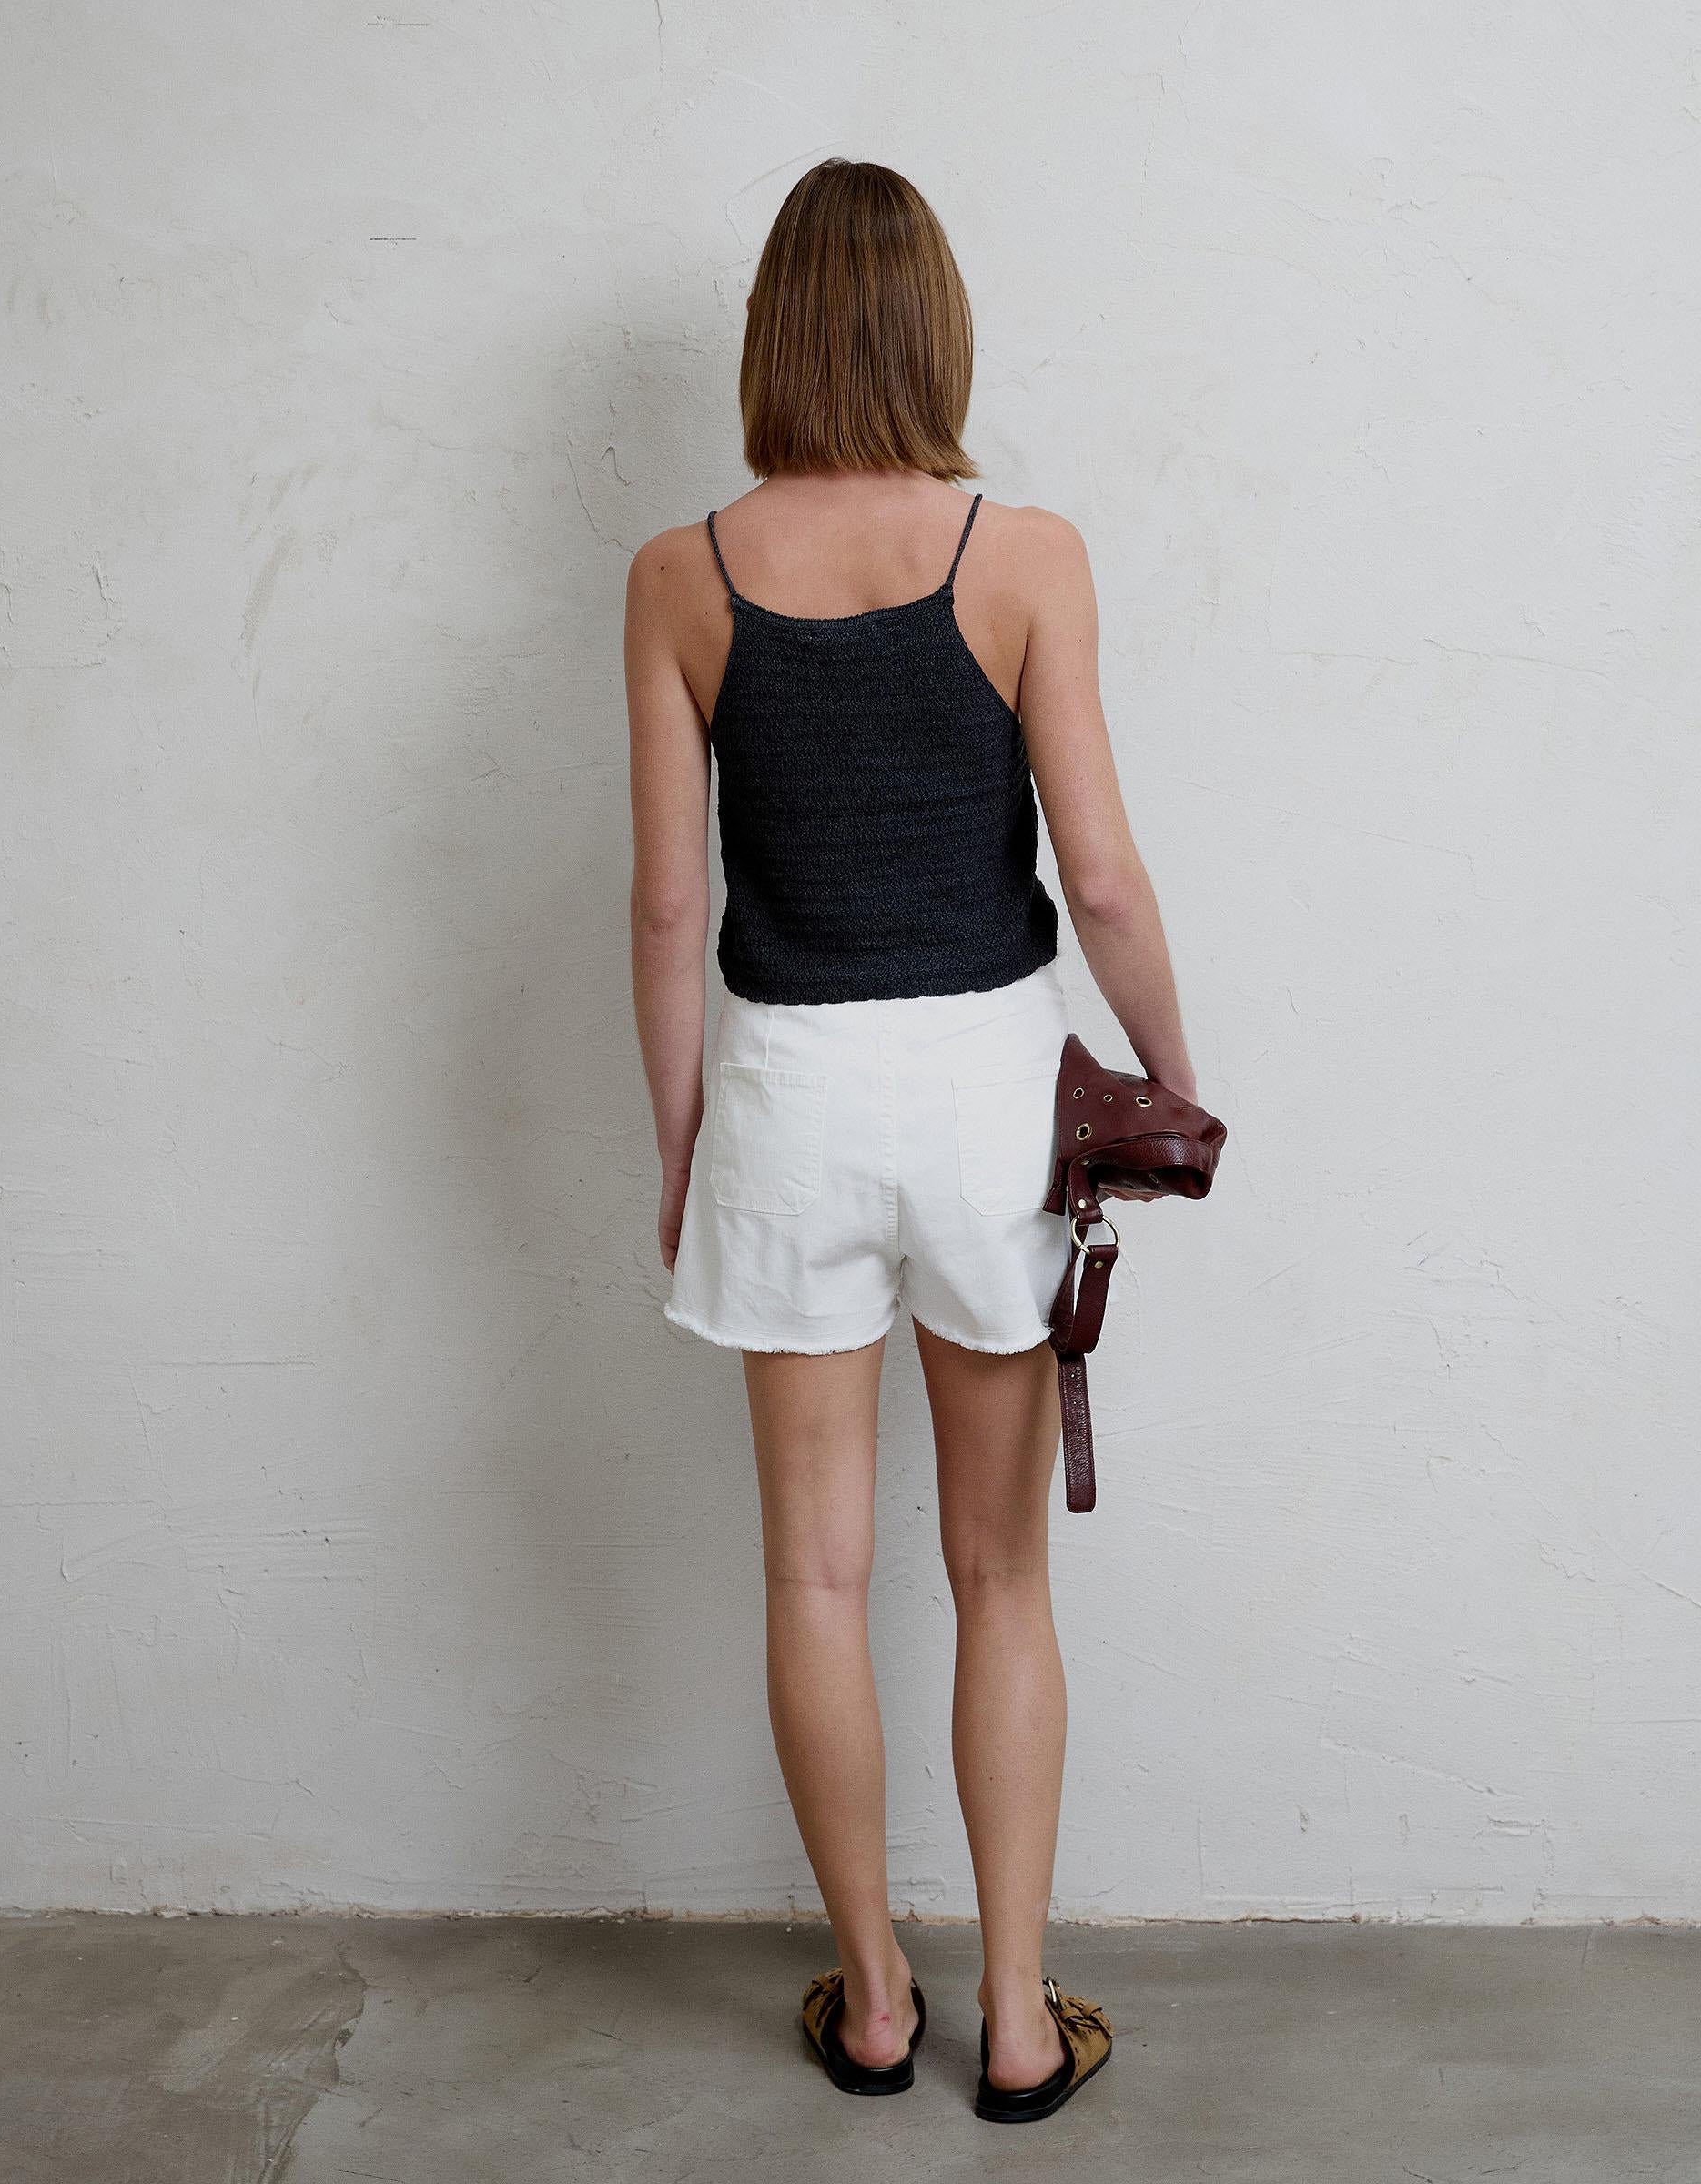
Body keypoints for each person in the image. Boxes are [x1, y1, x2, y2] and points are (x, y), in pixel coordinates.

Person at [623, 157, 1198, 2125]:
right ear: (936, 328)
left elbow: (670, 907)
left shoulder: (681, 575)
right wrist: (1172, 1080)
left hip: (786, 1093)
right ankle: (1017, 2023)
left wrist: (685, 1143)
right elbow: (1099, 879)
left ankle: (874, 2003)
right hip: (983, 1097)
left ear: (771, 338)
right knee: (999, 1573)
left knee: (813, 1577)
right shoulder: (1023, 554)